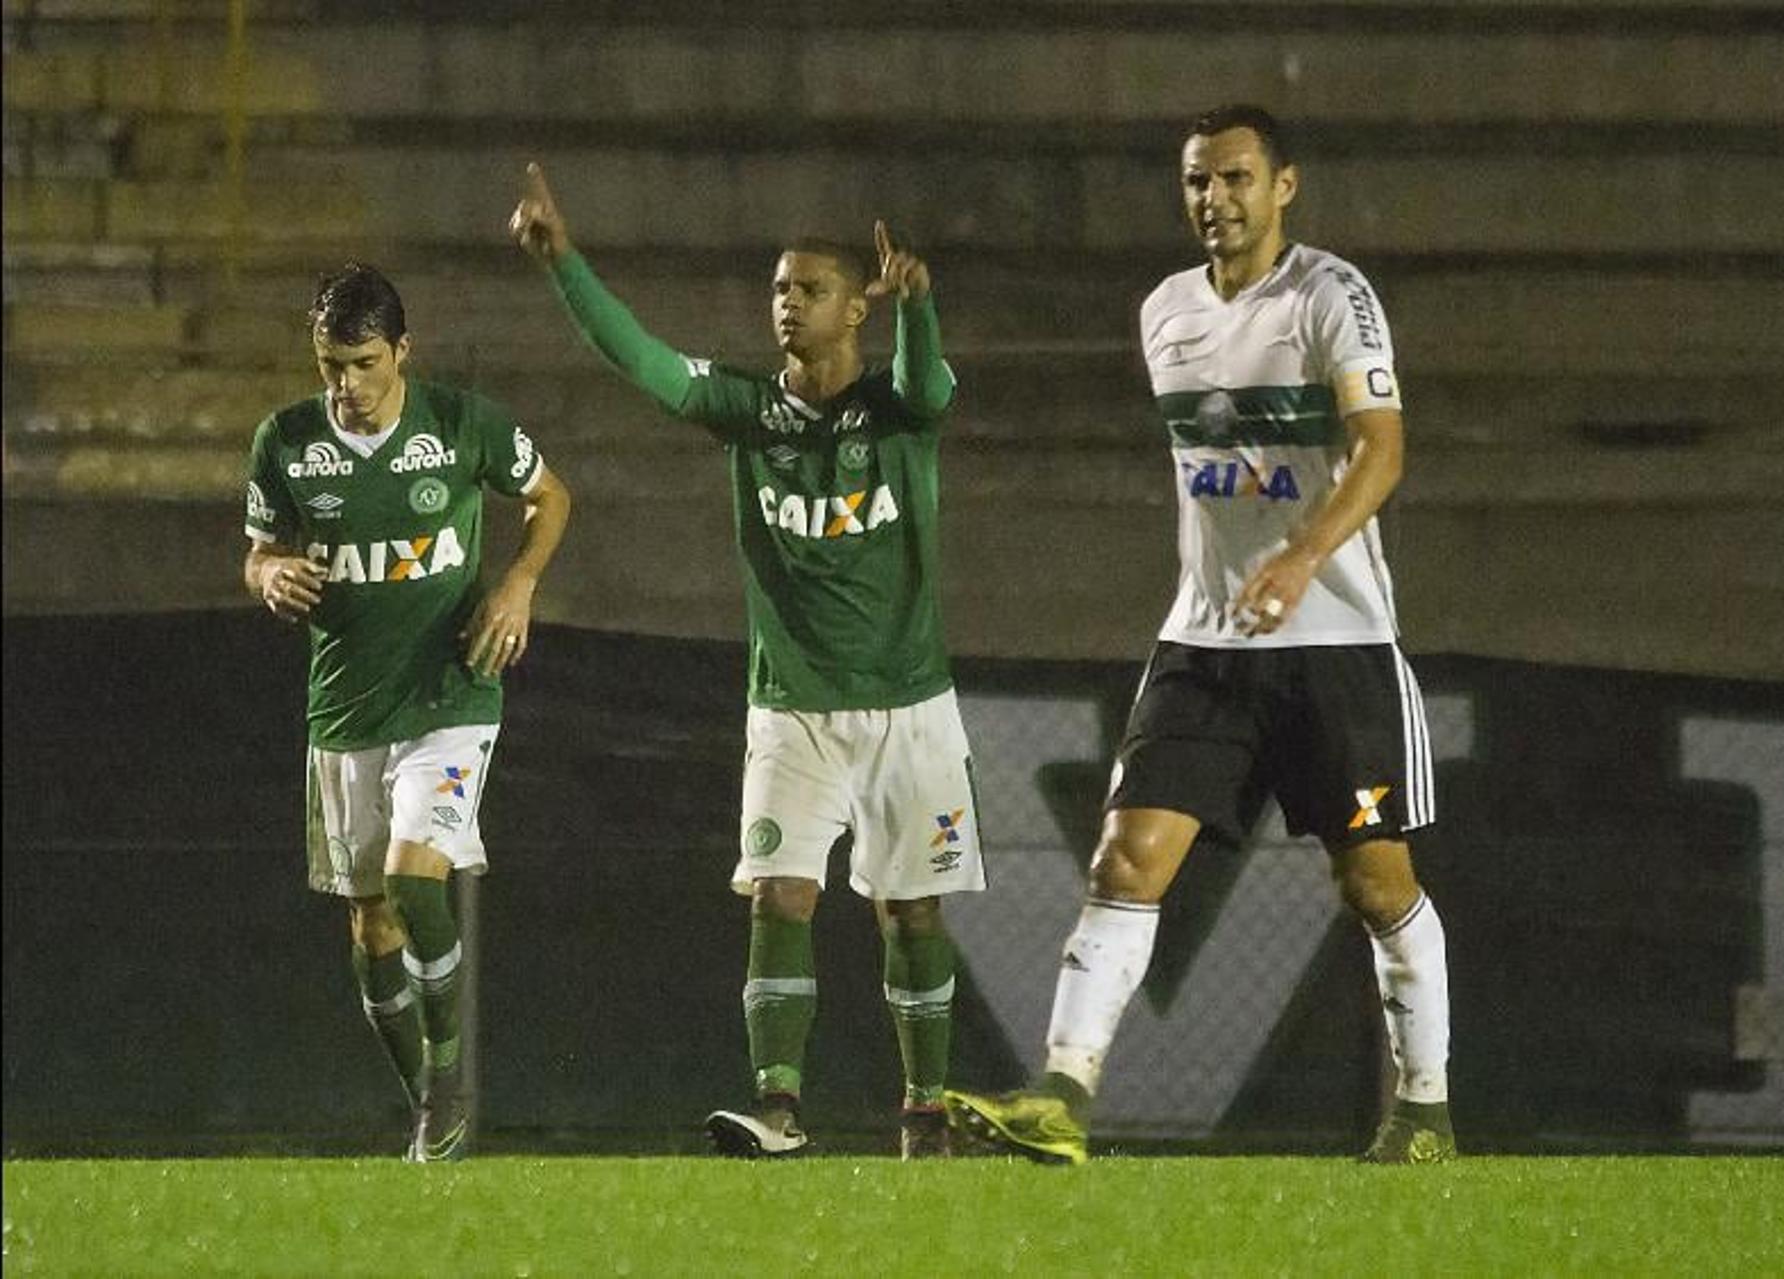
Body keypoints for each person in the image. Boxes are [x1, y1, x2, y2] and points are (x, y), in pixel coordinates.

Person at [945, 103, 1454, 1165]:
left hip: (1336, 646)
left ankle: (1423, 1106)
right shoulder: (1163, 310)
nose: (1213, 200)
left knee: (1375, 883)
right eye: (1196, 183)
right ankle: (1063, 1093)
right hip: (1206, 646)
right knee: (1126, 861)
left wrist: (1302, 555)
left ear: (1284, 186)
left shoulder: (1331, 295)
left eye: (1233, 179)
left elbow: (1383, 450)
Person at [509, 164, 985, 1160]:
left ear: (859, 307)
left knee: (912, 908)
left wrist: (926, 309)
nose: (787, 305)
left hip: (910, 703)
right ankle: (778, 1105)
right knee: (780, 894)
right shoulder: (748, 412)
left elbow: (932, 386)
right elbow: (639, 360)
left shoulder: (897, 409)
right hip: (793, 706)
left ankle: (926, 1109)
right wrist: (566, 265)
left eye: (809, 290)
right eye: (778, 289)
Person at [242, 262, 572, 1161]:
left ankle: (446, 1078)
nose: (343, 385)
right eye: (328, 365)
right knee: (370, 922)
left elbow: (550, 495)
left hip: (450, 691)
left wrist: (517, 583)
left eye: (360, 363)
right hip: (346, 704)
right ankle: (425, 1103)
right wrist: (270, 573)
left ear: (401, 352)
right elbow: (261, 548)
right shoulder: (286, 441)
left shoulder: (462, 425)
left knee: (416, 876)